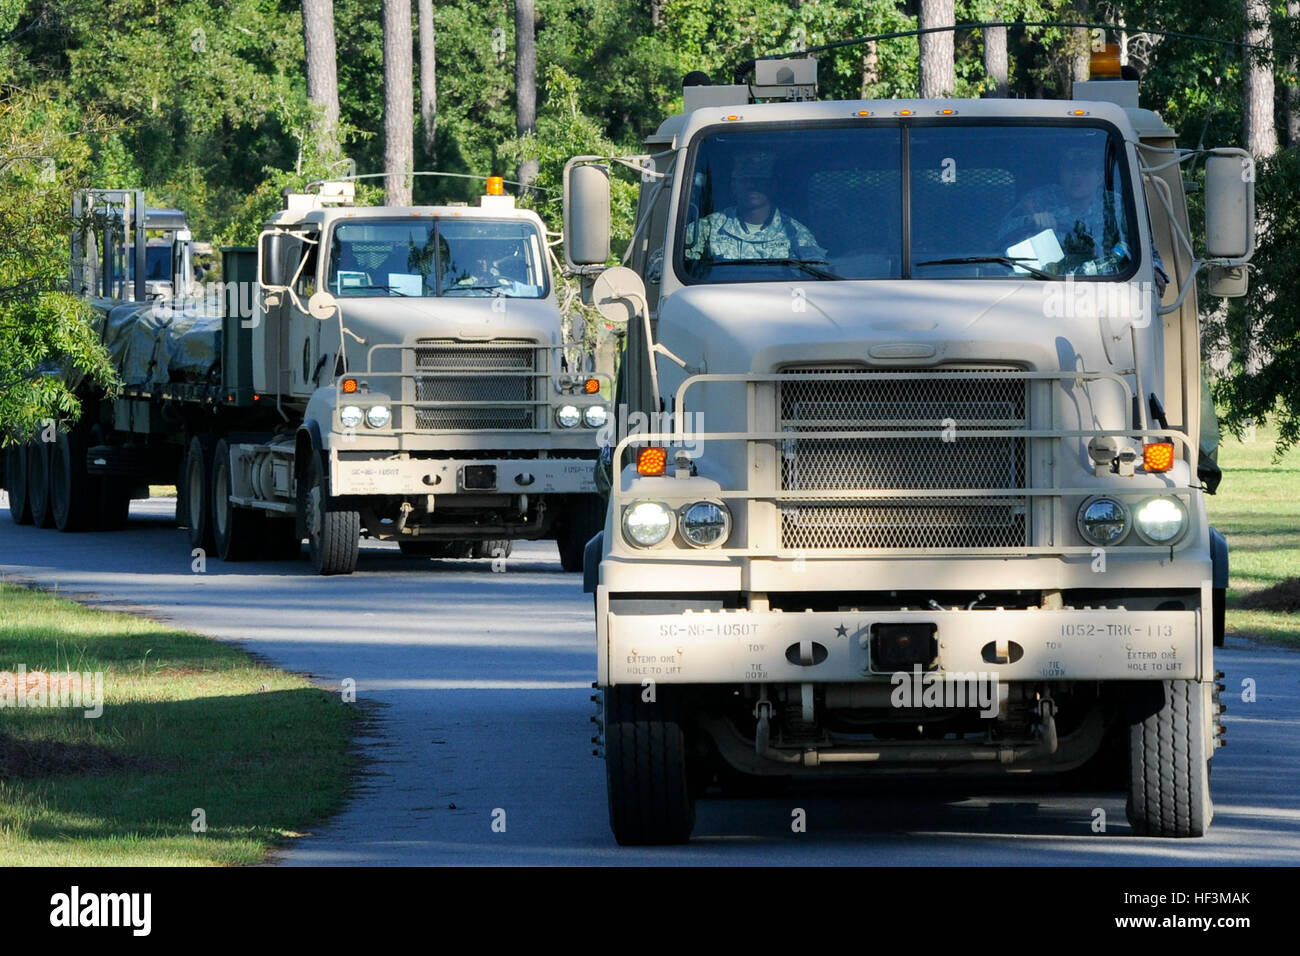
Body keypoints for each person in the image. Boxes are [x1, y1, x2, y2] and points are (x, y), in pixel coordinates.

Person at [998, 145, 1169, 295]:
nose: (1076, 176)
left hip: (1103, 287)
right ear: (1060, 174)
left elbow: (1146, 247)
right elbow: (1002, 233)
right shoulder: (1040, 200)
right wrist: (1032, 221)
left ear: (1099, 176)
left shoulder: (1115, 206)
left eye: (1085, 170)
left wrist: (1155, 270)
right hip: (1042, 286)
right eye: (1070, 170)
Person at [684, 155, 826, 265]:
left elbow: (815, 275)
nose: (752, 186)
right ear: (734, 186)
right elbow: (681, 271)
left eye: (760, 181)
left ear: (773, 186)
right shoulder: (706, 229)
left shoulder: (795, 234)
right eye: (745, 180)